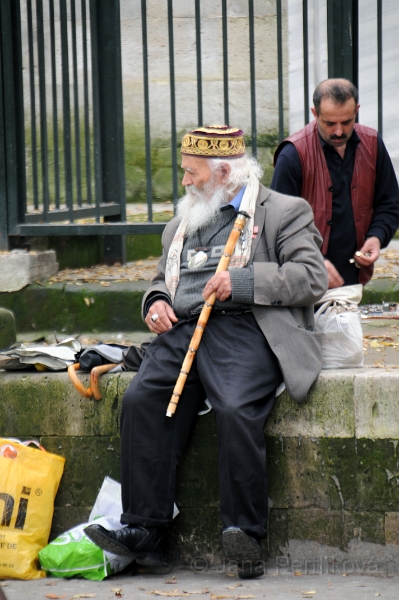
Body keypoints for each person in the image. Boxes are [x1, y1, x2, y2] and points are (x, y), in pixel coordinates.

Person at [85, 125, 328, 578]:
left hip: (245, 327)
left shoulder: (283, 211)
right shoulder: (182, 223)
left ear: (222, 172)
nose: (184, 183)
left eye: (191, 174)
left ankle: (246, 535)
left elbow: (311, 277)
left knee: (237, 407)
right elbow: (162, 280)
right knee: (142, 400)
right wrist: (155, 302)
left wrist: (243, 281)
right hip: (182, 332)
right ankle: (146, 530)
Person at [271, 78, 399, 289]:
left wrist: (377, 236)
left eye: (347, 122)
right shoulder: (293, 154)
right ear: (315, 113)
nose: (339, 131)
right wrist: (313, 263)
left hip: (353, 275)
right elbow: (278, 225)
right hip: (303, 278)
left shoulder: (373, 143)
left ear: (357, 110)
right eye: (330, 123)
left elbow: (389, 203)